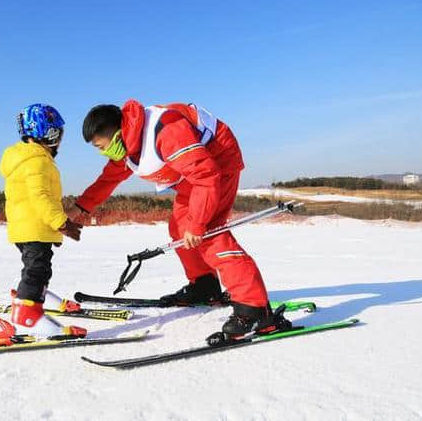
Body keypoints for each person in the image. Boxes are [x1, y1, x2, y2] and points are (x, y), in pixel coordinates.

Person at [75, 100, 277, 337]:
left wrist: (198, 223)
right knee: (180, 228)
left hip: (219, 162)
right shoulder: (129, 144)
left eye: (102, 146)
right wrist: (81, 209)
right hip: (195, 175)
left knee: (210, 233)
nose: (103, 152)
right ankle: (204, 286)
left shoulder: (166, 131)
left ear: (116, 132)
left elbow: (206, 175)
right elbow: (108, 180)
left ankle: (254, 309)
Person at [0, 103, 86, 346]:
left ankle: (30, 297)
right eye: (58, 134)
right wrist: (63, 223)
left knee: (37, 269)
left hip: (25, 227)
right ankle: (27, 315)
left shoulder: (26, 158)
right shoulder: (38, 161)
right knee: (37, 270)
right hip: (34, 226)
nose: (60, 141)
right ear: (49, 133)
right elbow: (40, 197)